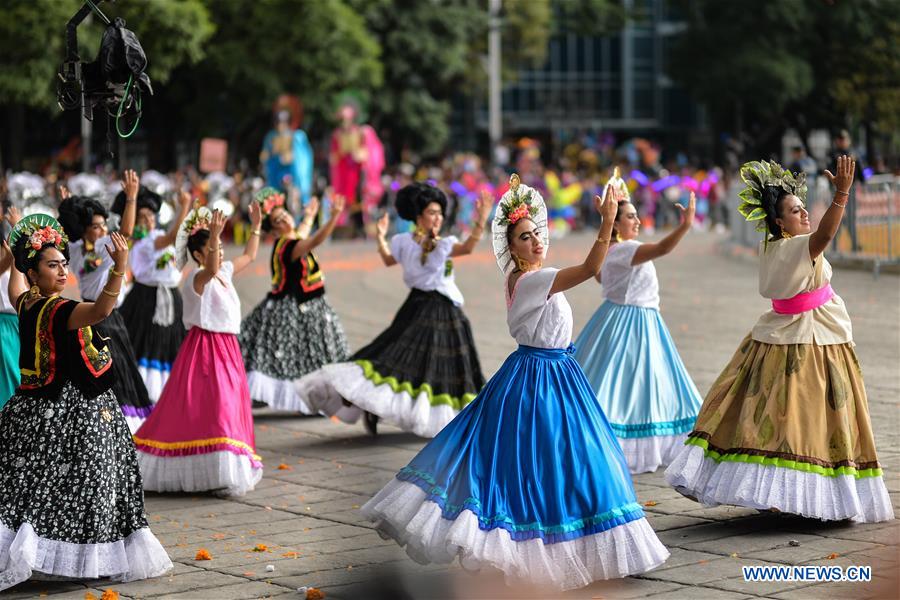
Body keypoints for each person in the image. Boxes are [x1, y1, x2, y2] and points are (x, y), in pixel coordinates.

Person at [360, 175, 668, 589]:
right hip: (540, 380)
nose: (536, 241)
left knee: (561, 462)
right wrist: (607, 222)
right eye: (525, 238)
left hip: (556, 375)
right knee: (551, 465)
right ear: (513, 248)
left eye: (537, 234)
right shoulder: (531, 279)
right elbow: (592, 267)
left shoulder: (530, 277)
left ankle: (580, 548)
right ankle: (547, 550)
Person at [665, 157, 894, 523]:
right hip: (807, 339)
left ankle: (781, 493)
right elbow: (825, 236)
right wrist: (842, 195)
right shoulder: (792, 247)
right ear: (778, 222)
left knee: (785, 419)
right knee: (803, 421)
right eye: (795, 211)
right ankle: (796, 494)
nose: (804, 214)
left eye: (803, 208)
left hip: (808, 330)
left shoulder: (777, 246)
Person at [0, 212, 171, 589]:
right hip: (76, 409)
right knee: (92, 480)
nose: (63, 272)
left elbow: (14, 288)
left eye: (64, 264)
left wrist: (17, 254)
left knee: (32, 482)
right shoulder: (60, 310)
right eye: (52, 266)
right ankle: (84, 554)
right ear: (35, 273)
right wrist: (119, 268)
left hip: (32, 408)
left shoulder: (27, 303)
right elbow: (102, 310)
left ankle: (39, 547)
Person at [296, 182, 490, 437]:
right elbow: (467, 248)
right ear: (418, 217)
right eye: (432, 212)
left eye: (440, 213)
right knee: (410, 362)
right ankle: (375, 406)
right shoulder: (438, 244)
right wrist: (482, 219)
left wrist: (380, 237)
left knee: (406, 361)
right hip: (434, 309)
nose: (438, 218)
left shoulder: (408, 241)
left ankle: (379, 408)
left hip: (427, 307)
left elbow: (388, 259)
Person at [574, 170, 703, 473]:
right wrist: (685, 225)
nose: (637, 221)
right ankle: (625, 443)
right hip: (635, 320)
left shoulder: (611, 250)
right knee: (636, 385)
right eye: (630, 217)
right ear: (615, 224)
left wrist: (605, 225)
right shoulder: (627, 249)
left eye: (636, 215)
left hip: (615, 317)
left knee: (622, 382)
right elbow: (662, 248)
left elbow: (600, 277)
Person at [134, 205, 264, 496]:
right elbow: (213, 267)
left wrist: (255, 225)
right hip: (204, 347)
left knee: (228, 405)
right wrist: (216, 234)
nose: (218, 252)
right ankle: (210, 470)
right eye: (212, 248)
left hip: (228, 347)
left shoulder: (223, 272)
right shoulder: (197, 278)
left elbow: (249, 255)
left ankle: (221, 471)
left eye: (217, 247)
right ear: (198, 254)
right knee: (214, 407)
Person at [57, 170, 153, 431]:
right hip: (101, 315)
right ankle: (115, 421)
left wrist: (68, 204)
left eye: (103, 225)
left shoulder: (75, 247)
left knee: (110, 368)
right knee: (113, 368)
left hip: (94, 313)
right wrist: (131, 199)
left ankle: (113, 421)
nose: (102, 230)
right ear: (84, 230)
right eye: (96, 226)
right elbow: (128, 230)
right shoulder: (96, 246)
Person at [239, 188, 349, 411]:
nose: (285, 219)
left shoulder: (291, 237)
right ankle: (312, 398)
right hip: (298, 307)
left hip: (309, 302)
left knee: (309, 354)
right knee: (307, 354)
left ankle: (318, 398)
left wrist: (309, 215)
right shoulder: (289, 246)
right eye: (279, 219)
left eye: (285, 214)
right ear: (274, 229)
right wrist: (334, 217)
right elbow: (314, 240)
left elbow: (304, 230)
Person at [115, 186, 191, 401]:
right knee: (148, 342)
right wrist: (184, 206)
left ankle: (168, 392)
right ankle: (146, 391)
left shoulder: (156, 236)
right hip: (147, 299)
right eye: (142, 217)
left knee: (169, 343)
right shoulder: (143, 243)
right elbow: (174, 236)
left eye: (150, 215)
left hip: (169, 298)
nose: (148, 220)